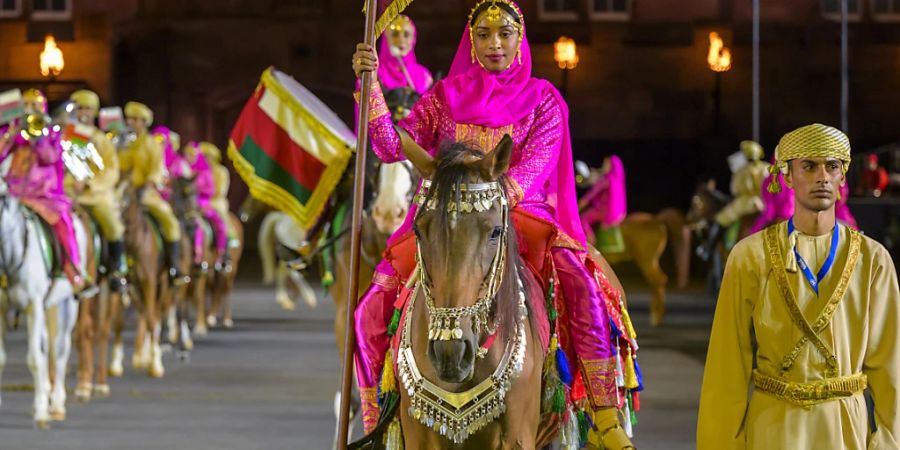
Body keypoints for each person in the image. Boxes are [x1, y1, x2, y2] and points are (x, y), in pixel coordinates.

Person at [352, 2, 637, 447]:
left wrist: (489, 195)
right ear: (471, 41)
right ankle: (374, 420)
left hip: (518, 213)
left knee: (583, 284)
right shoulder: (444, 95)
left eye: (504, 34)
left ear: (519, 39)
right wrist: (368, 87)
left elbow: (534, 169)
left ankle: (604, 416)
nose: (494, 44)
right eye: (483, 35)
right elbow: (391, 147)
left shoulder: (545, 99)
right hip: (447, 217)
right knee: (371, 305)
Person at [697, 123, 900, 449]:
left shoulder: (872, 259)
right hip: (775, 427)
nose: (822, 176)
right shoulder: (750, 256)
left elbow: (890, 364)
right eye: (808, 166)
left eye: (832, 166)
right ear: (787, 176)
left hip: (845, 428)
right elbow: (727, 364)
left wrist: (889, 440)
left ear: (842, 176)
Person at [2, 89, 94, 296]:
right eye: (26, 106)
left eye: (35, 106)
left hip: (47, 195)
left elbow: (50, 157)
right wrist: (10, 135)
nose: (30, 111)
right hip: (15, 193)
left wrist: (38, 138)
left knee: (64, 223)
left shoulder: (52, 133)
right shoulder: (12, 132)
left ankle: (73, 271)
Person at [118, 102, 189, 285]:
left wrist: (148, 183)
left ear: (143, 122)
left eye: (135, 119)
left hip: (147, 192)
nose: (130, 122)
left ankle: (173, 266)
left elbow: (157, 169)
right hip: (128, 191)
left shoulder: (152, 144)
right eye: (129, 119)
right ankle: (116, 264)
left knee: (170, 221)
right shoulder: (129, 144)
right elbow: (122, 167)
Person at [66, 89, 127, 283]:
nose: (83, 112)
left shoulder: (102, 140)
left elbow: (111, 170)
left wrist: (89, 183)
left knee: (112, 224)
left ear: (94, 112)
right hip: (70, 193)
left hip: (96, 196)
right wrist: (71, 181)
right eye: (79, 108)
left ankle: (117, 267)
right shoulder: (68, 136)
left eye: (87, 108)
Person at [698, 140, 770, 260]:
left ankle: (707, 248)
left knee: (719, 220)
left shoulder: (742, 170)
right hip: (764, 204)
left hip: (744, 204)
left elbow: (735, 189)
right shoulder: (767, 167)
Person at [378, 14, 433, 121]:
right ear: (386, 39)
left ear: (413, 39)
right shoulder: (376, 73)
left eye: (406, 35)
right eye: (395, 34)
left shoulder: (424, 75)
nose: (401, 40)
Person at [578, 155, 627, 253]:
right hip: (619, 212)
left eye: (606, 164)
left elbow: (591, 194)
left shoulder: (606, 179)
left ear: (611, 166)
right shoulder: (616, 179)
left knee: (583, 218)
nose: (604, 166)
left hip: (604, 211)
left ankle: (591, 242)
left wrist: (580, 204)